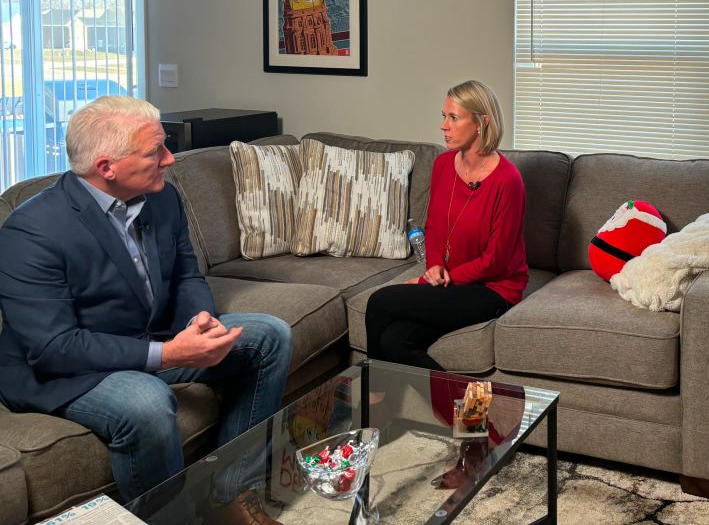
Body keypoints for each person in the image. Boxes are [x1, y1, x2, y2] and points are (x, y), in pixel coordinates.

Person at [0, 96, 292, 524]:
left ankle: (230, 493)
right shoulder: (31, 231)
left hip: (146, 338)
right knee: (147, 402)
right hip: (63, 369)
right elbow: (54, 347)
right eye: (155, 151)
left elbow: (187, 275)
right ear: (106, 167)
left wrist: (199, 320)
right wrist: (169, 355)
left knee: (270, 335)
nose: (171, 159)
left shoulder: (163, 199)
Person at [363, 80, 528, 369]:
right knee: (394, 342)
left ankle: (374, 401)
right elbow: (435, 227)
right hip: (450, 281)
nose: (444, 126)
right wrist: (434, 266)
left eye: (454, 117)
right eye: (444, 116)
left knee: (381, 301)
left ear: (481, 122)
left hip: (492, 289)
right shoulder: (442, 165)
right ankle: (466, 411)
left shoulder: (508, 180)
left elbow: (496, 261)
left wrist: (435, 283)